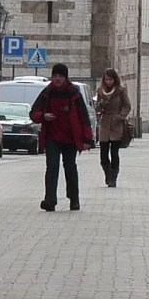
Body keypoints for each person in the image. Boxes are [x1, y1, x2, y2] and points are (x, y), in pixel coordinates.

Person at [30, 63, 93, 211]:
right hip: (52, 137)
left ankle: (74, 199)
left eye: (60, 76)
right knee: (52, 167)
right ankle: (50, 200)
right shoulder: (47, 92)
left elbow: (83, 116)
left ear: (65, 78)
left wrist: (87, 139)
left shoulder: (73, 93)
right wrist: (44, 116)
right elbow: (33, 112)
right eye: (55, 76)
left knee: (70, 167)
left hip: (70, 137)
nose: (57, 79)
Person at [95, 67, 132, 188]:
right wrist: (101, 104)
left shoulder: (120, 91)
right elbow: (97, 109)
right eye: (106, 79)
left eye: (110, 79)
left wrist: (120, 117)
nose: (108, 82)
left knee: (114, 152)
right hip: (105, 124)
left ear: (114, 79)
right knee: (103, 154)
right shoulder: (100, 91)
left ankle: (113, 178)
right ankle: (107, 173)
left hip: (116, 125)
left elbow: (127, 106)